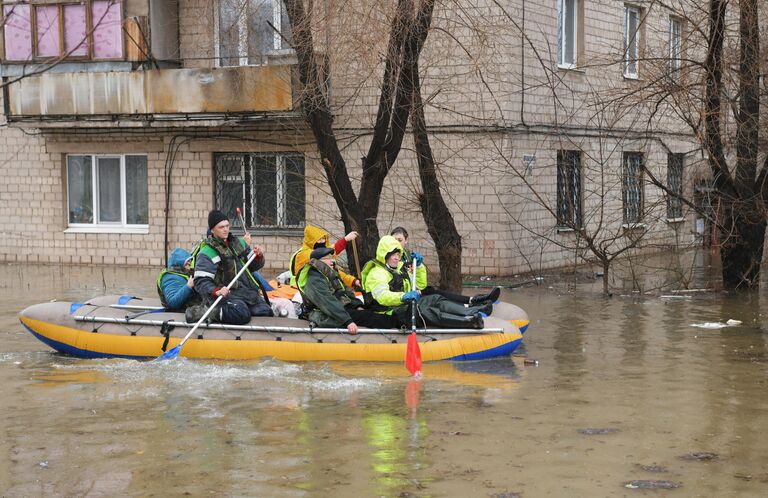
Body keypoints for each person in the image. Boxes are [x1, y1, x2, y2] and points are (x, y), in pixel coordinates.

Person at [361, 235, 491, 329]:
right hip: (389, 312)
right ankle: (469, 322)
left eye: (398, 254)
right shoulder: (376, 273)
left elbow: (420, 285)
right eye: (392, 254)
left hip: (405, 304)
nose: (396, 257)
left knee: (435, 298)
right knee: (425, 311)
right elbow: (382, 297)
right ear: (384, 255)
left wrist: (419, 267)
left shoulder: (400, 268)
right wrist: (403, 296)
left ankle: (473, 311)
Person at [190, 209, 273, 325]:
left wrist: (258, 257)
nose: (225, 229)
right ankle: (207, 312)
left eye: (227, 226)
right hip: (226, 295)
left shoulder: (239, 243)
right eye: (221, 227)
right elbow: (200, 281)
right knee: (241, 314)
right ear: (212, 229)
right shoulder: (206, 252)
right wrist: (216, 291)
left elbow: (253, 267)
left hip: (246, 292)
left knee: (266, 311)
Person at [297, 247, 400, 334]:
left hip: (342, 309)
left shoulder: (330, 275)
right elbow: (328, 303)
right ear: (318, 261)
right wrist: (348, 321)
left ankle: (398, 320)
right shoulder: (315, 280)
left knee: (370, 311)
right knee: (371, 318)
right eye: (327, 258)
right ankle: (398, 324)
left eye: (332, 257)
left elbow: (345, 293)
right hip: (326, 313)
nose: (332, 261)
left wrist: (357, 305)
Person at [390, 226, 501, 306]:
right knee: (438, 297)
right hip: (403, 295)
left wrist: (419, 266)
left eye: (400, 240)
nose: (396, 243)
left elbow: (421, 284)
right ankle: (471, 304)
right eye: (394, 240)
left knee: (436, 292)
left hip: (414, 290)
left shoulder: (408, 256)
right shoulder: (388, 257)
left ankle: (473, 300)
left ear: (406, 240)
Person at [289, 225, 360, 288]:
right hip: (300, 290)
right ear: (311, 241)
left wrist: (353, 281)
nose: (322, 241)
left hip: (319, 289)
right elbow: (317, 254)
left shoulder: (321, 255)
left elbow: (336, 273)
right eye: (319, 240)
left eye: (323, 239)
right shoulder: (303, 254)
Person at [157, 247, 201, 312]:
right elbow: (173, 303)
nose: (190, 263)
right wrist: (188, 286)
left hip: (189, 309)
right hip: (178, 312)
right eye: (187, 261)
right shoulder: (170, 278)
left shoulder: (183, 273)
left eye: (190, 260)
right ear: (178, 262)